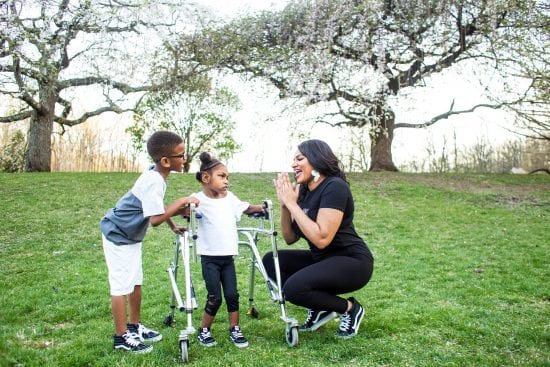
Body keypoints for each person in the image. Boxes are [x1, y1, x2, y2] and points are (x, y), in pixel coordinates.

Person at [99, 131, 200, 354]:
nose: (185, 159)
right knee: (120, 286)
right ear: (165, 161)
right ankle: (121, 337)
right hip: (117, 234)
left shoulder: (157, 175)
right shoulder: (154, 180)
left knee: (135, 281)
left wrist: (173, 226)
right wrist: (182, 201)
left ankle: (134, 327)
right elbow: (155, 220)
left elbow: (156, 207)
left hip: (130, 236)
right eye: (181, 155)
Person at [262, 139, 374, 339]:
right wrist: (284, 205)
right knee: (272, 261)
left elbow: (322, 238)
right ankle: (320, 307)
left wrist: (292, 204)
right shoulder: (305, 191)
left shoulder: (334, 187)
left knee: (293, 289)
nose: (293, 164)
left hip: (352, 261)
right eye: (293, 160)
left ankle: (350, 308)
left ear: (316, 159)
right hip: (322, 260)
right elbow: (289, 237)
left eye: (300, 158)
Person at [192, 152, 265, 348]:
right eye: (222, 176)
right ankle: (204, 330)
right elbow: (186, 210)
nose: (226, 181)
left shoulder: (230, 198)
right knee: (215, 297)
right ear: (206, 178)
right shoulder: (197, 199)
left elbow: (247, 208)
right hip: (210, 259)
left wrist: (263, 207)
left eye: (227, 177)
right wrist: (184, 211)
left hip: (228, 259)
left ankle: (234, 328)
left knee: (232, 295)